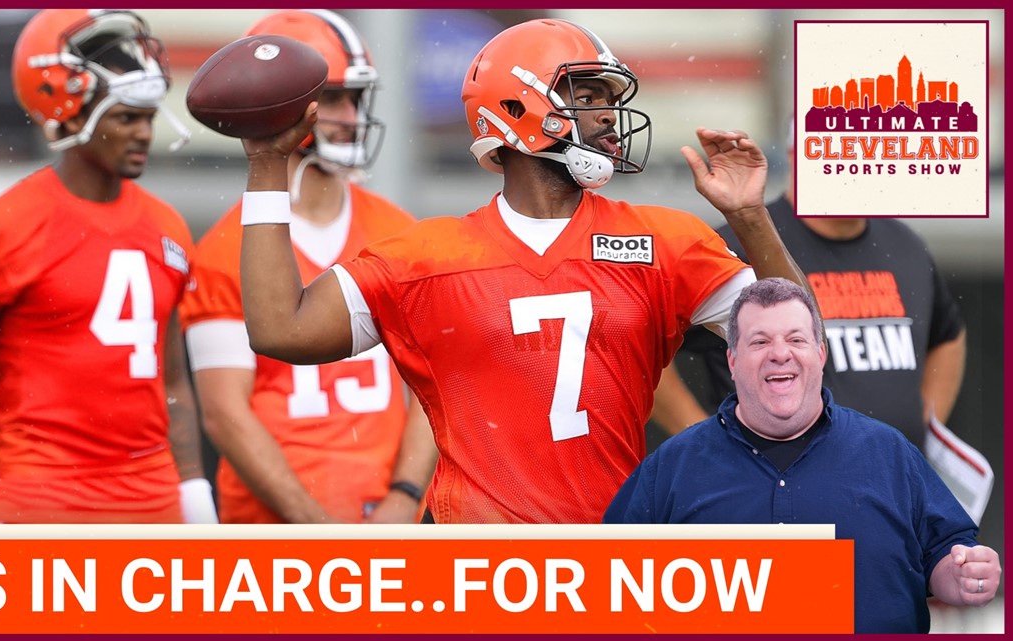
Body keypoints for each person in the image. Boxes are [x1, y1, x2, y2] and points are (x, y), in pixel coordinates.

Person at [236, 18, 810, 523]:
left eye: (607, 97)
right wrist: (266, 164)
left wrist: (749, 216)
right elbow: (281, 329)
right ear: (518, 108)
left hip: (608, 558)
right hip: (480, 572)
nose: (608, 114)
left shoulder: (663, 239)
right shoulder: (429, 257)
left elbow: (801, 339)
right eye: (586, 95)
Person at [0, 9, 215, 524]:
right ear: (72, 113)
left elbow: (172, 381)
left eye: (148, 117)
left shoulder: (167, 225)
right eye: (127, 116)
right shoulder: (2, 227)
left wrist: (195, 494)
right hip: (44, 496)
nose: (145, 133)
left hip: (153, 497)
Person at [605, 278, 1000, 633]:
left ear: (821, 353)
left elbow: (947, 557)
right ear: (732, 360)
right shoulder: (673, 467)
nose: (780, 354)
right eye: (759, 342)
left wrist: (965, 575)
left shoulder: (888, 452)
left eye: (796, 339)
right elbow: (610, 587)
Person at [180, 9, 436, 524]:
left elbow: (433, 388)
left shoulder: (400, 231)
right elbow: (226, 414)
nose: (350, 115)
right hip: (273, 524)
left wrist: (404, 497)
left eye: (355, 98)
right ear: (276, 107)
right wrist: (313, 523)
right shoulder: (224, 247)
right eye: (334, 97)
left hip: (384, 512)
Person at [652, 125, 967, 446]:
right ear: (798, 153)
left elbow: (947, 334)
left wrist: (925, 426)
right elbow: (645, 340)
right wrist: (697, 436)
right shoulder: (742, 237)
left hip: (891, 482)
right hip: (771, 479)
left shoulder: (903, 242)